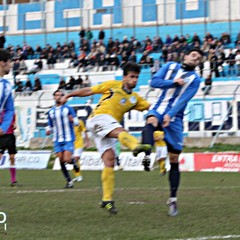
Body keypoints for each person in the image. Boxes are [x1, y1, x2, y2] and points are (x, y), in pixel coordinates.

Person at [61, 62, 152, 214]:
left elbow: (151, 108)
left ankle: (107, 199)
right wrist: (69, 95)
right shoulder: (112, 85)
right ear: (124, 77)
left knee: (109, 161)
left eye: (137, 77)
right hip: (98, 119)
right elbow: (89, 90)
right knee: (120, 130)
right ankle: (135, 146)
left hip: (107, 126)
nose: (134, 80)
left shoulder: (135, 99)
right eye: (131, 77)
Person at [141, 47, 203, 217]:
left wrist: (171, 114)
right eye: (193, 55)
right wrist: (173, 83)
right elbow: (154, 82)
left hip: (175, 118)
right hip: (159, 108)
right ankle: (146, 154)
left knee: (174, 158)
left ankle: (173, 199)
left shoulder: (195, 80)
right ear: (186, 55)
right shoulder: (169, 66)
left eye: (198, 59)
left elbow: (184, 100)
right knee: (151, 121)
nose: (194, 59)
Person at [46, 89, 80, 188]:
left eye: (60, 95)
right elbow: (49, 125)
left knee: (67, 159)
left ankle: (73, 162)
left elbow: (77, 123)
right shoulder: (51, 111)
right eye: (56, 95)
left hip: (68, 138)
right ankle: (69, 181)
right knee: (61, 160)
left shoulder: (68, 109)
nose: (58, 97)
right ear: (54, 97)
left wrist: (72, 120)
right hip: (57, 139)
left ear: (63, 97)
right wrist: (48, 130)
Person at [0, 50, 16, 185]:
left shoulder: (6, 86)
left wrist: (3, 127)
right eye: (9, 62)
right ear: (2, 63)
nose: (11, 66)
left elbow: (10, 109)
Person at [0, 113, 18, 186]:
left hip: (10, 137)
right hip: (1, 138)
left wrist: (14, 126)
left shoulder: (12, 113)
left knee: (12, 158)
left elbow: (14, 124)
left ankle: (13, 180)